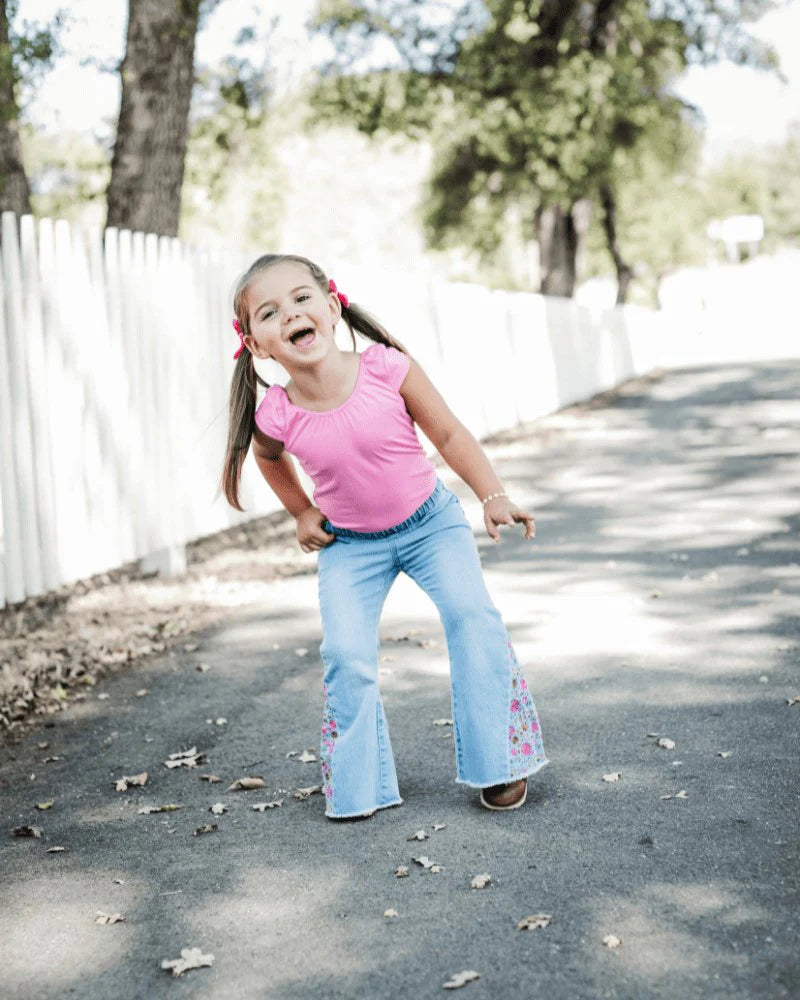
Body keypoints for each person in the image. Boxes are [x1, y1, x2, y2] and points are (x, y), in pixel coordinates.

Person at [221, 253, 548, 819]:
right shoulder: (276, 413)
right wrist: (301, 511)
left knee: (473, 619)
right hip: (351, 547)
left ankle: (501, 763)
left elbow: (447, 431)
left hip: (431, 526)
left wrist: (492, 496)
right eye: (270, 313)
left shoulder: (385, 368)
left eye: (302, 299)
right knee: (346, 654)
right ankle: (358, 785)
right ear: (257, 345)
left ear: (330, 306)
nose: (292, 314)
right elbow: (269, 458)